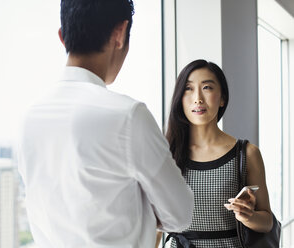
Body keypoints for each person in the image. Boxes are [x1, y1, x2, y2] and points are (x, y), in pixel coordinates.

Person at [17, 1, 194, 247]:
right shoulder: (128, 116)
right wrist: (140, 208)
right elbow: (180, 215)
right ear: (120, 33)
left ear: (62, 37)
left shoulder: (29, 118)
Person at [163, 59, 273, 247]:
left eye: (207, 87)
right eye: (188, 89)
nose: (197, 98)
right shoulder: (166, 153)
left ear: (222, 98)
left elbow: (267, 222)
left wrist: (248, 216)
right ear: (180, 98)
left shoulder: (246, 153)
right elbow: (155, 222)